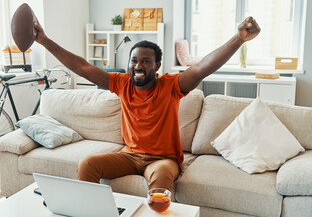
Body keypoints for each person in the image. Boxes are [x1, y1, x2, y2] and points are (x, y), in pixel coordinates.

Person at [34, 16, 260, 192]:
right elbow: (82, 67)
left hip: (163, 160)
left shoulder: (171, 86)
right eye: (134, 60)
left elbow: (203, 67)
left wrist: (238, 38)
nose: (138, 66)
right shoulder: (121, 83)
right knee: (87, 165)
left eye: (145, 61)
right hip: (129, 156)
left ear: (157, 65)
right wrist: (43, 40)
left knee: (161, 176)